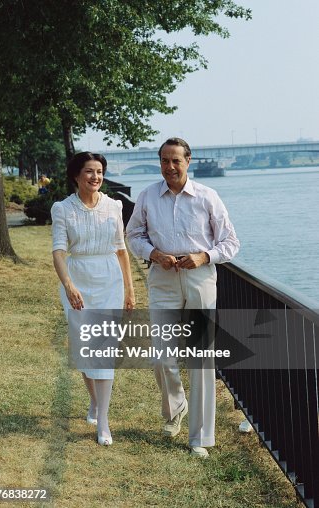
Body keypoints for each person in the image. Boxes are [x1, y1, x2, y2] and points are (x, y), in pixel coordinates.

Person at [126, 137, 239, 458]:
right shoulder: (148, 196)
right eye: (164, 161)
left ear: (188, 161)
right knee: (161, 356)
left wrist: (205, 257)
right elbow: (133, 235)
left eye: (176, 161)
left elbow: (231, 243)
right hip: (162, 278)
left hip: (200, 278)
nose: (170, 167)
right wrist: (153, 253)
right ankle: (175, 407)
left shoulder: (208, 196)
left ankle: (200, 439)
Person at [51, 152, 135, 446]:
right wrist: (69, 285)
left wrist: (129, 289)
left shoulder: (114, 206)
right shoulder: (62, 209)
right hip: (78, 279)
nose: (95, 177)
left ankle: (104, 421)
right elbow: (59, 251)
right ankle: (95, 402)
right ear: (76, 175)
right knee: (85, 349)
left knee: (104, 349)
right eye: (89, 171)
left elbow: (121, 249)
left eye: (99, 171)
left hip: (109, 279)